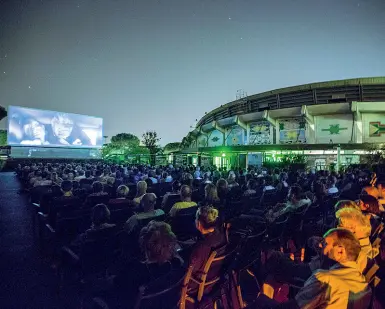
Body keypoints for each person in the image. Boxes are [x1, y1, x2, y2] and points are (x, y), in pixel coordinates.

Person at [258, 228, 369, 309]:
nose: (321, 246)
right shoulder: (360, 278)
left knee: (260, 302)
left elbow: (293, 307)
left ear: (340, 251)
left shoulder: (324, 279)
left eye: (325, 244)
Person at [189, 206, 226, 278]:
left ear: (199, 223)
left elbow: (192, 270)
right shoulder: (222, 235)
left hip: (200, 280)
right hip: (216, 273)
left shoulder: (202, 247)